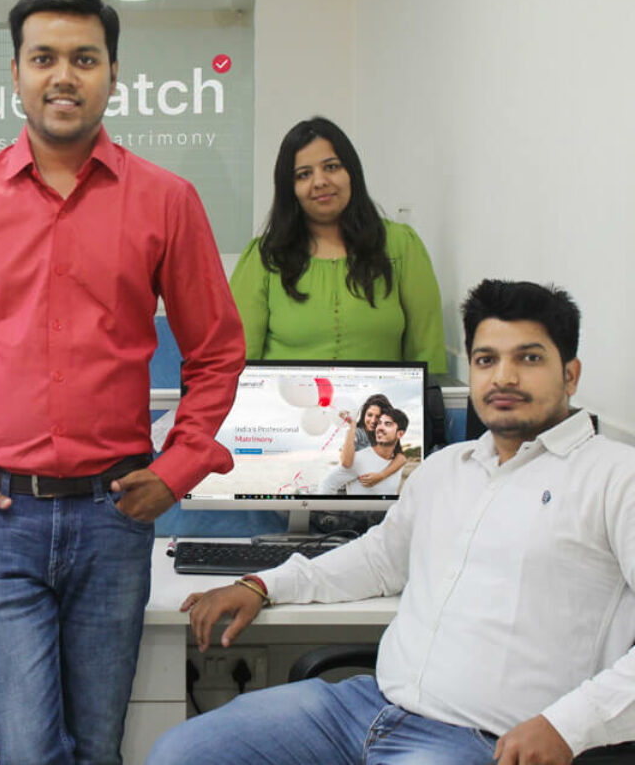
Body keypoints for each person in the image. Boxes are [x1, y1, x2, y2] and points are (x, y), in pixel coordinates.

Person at [0, 0, 245, 764]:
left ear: (113, 74)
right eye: (43, 58)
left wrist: (178, 468)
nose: (63, 76)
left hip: (115, 516)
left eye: (84, 59)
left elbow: (217, 351)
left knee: (97, 750)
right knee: (27, 753)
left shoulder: (167, 201)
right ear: (15, 73)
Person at [149, 279, 635, 765]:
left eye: (529, 358)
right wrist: (262, 584)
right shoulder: (448, 468)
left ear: (570, 375)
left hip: (481, 739)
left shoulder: (615, 478)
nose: (504, 377)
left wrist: (567, 727)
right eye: (486, 360)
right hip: (364, 707)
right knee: (179, 752)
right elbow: (378, 560)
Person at [230, 116, 447, 373]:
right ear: (290, 188)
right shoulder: (264, 258)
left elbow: (427, 352)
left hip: (381, 399)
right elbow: (238, 363)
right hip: (286, 400)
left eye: (331, 167)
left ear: (351, 172)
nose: (320, 181)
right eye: (304, 174)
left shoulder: (401, 246)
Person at [317, 406, 409, 496]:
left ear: (400, 434)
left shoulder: (397, 461)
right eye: (379, 423)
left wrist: (381, 476)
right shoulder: (360, 458)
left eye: (388, 424)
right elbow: (327, 485)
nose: (380, 427)